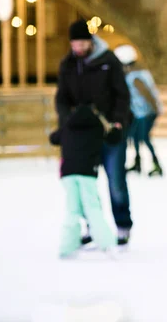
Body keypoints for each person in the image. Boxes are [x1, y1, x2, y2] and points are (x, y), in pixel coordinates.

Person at [55, 19, 133, 246]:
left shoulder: (108, 61)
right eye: (74, 45)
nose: (77, 49)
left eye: (81, 44)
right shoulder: (68, 64)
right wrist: (66, 123)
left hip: (110, 130)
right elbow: (62, 98)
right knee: (87, 182)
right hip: (83, 134)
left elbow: (122, 94)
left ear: (90, 41)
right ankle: (93, 225)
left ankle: (122, 225)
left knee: (115, 179)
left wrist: (118, 122)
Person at [49, 105, 118, 258]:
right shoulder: (96, 126)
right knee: (92, 207)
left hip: (67, 173)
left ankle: (67, 247)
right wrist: (116, 128)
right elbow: (113, 139)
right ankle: (107, 244)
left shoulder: (68, 125)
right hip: (87, 172)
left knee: (72, 210)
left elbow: (53, 138)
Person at [114, 44, 164, 177]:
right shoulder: (136, 74)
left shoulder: (135, 77)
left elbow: (147, 94)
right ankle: (137, 163)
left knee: (143, 137)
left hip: (146, 113)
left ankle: (156, 164)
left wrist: (155, 110)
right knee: (134, 136)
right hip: (140, 113)